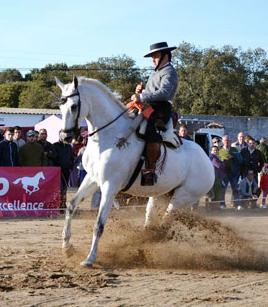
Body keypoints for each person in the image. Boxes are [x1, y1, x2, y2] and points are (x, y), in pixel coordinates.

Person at [130, 42, 179, 185]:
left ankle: (150, 171)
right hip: (150, 106)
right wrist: (142, 91)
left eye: (155, 56)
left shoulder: (170, 72)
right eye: (152, 57)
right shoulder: (155, 73)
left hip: (161, 109)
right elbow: (152, 92)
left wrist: (142, 96)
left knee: (152, 131)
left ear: (165, 56)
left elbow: (164, 93)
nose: (153, 60)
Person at [53, 130, 74, 211]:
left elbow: (72, 157)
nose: (67, 138)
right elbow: (54, 157)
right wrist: (58, 167)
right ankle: (59, 204)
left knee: (65, 188)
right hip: (58, 170)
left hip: (67, 170)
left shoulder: (69, 146)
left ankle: (63, 204)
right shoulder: (55, 145)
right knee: (60, 188)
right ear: (60, 136)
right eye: (65, 136)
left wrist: (71, 166)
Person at [218, 135, 242, 208]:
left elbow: (241, 160)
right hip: (224, 174)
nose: (227, 142)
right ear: (222, 141)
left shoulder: (235, 149)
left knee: (235, 189)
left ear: (230, 142)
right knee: (223, 189)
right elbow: (218, 162)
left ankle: (237, 204)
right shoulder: (220, 151)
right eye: (225, 140)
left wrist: (234, 156)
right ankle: (222, 204)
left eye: (228, 140)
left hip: (233, 173)